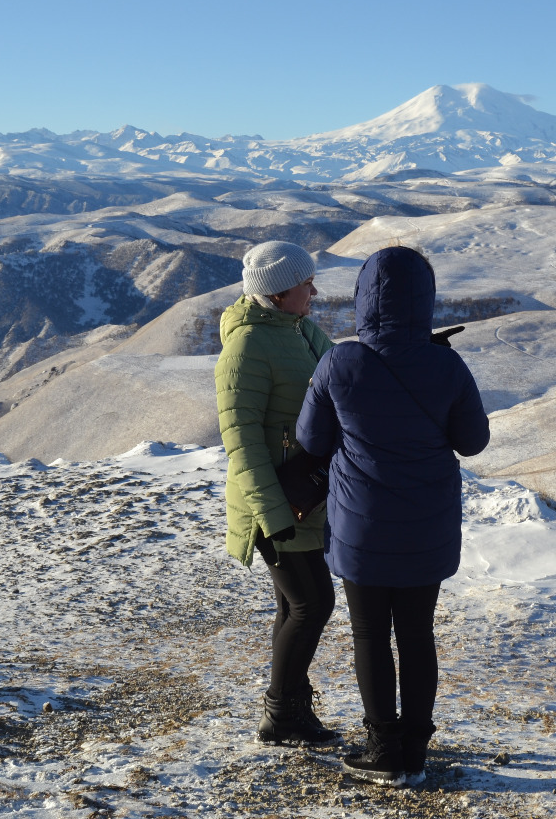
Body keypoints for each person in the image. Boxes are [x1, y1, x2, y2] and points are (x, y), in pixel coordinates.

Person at [296, 246, 491, 785]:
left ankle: (383, 748)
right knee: (417, 634)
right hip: (426, 527)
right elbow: (473, 442)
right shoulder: (447, 364)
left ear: (362, 299)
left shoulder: (340, 361)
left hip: (361, 525)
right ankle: (416, 748)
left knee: (368, 636)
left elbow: (312, 440)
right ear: (425, 300)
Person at [216, 240, 339, 746]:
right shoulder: (245, 348)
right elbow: (239, 440)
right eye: (306, 284)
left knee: (295, 608)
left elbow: (342, 382)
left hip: (304, 498)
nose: (314, 291)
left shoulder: (302, 330)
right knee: (313, 605)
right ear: (279, 292)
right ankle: (281, 713)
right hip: (275, 504)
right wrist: (271, 512)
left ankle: (288, 710)